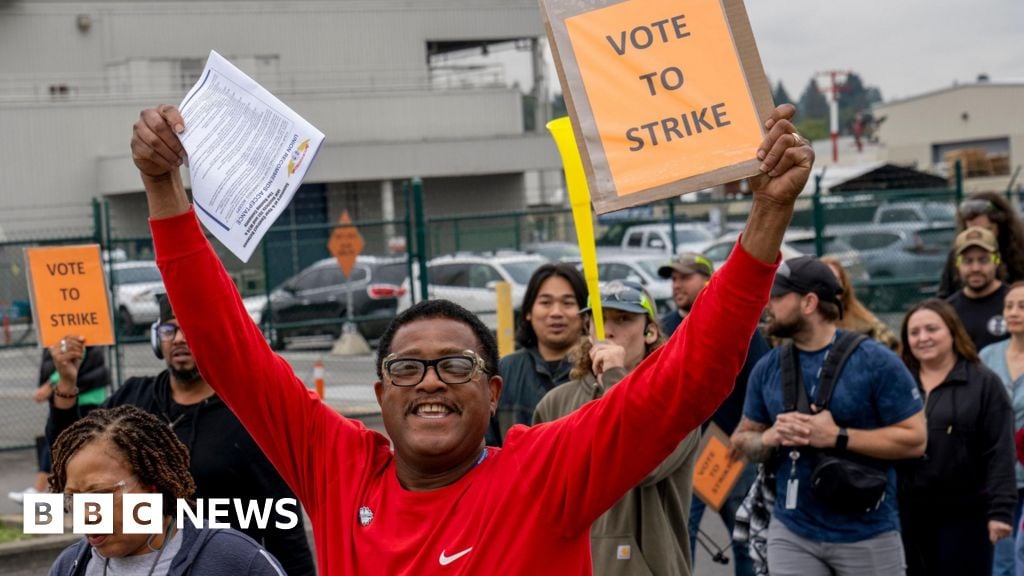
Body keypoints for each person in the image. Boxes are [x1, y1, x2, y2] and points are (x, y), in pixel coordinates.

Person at [130, 101, 812, 574]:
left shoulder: (542, 473)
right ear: (379, 393)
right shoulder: (336, 466)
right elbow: (228, 347)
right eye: (407, 369)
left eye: (454, 365)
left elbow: (687, 379)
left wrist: (766, 220)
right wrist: (163, 187)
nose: (429, 381)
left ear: (491, 392)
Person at [46, 294, 315, 576]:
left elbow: (282, 522)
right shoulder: (132, 399)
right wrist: (66, 383)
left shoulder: (247, 415)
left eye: (189, 328)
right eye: (168, 329)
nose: (177, 338)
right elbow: (72, 454)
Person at [731, 255, 927, 576]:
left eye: (778, 296)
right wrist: (771, 437)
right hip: (792, 530)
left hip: (868, 531)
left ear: (808, 302)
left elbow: (916, 439)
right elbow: (740, 442)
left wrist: (838, 436)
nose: (768, 305)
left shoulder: (876, 361)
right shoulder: (768, 367)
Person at [533, 280, 700, 575]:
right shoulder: (555, 403)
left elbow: (641, 463)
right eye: (599, 319)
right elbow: (538, 498)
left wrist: (614, 376)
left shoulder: (677, 402)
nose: (609, 330)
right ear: (588, 330)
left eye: (624, 319)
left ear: (649, 331)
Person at [48, 405, 287, 575]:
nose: (86, 514)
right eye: (72, 498)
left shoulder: (236, 561)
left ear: (152, 489)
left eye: (100, 495)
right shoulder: (70, 565)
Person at [658, 252, 768, 576]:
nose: (677, 284)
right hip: (681, 451)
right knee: (682, 536)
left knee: (742, 537)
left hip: (730, 447)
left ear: (707, 280)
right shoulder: (663, 329)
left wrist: (747, 431)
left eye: (685, 277)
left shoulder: (735, 321)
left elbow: (759, 378)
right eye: (673, 278)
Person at [898, 298, 1016, 576]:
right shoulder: (898, 381)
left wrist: (1000, 511)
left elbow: (1000, 449)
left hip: (966, 513)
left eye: (932, 329)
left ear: (952, 331)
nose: (923, 338)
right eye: (914, 333)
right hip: (906, 512)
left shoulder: (983, 383)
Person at [486, 262, 586, 446]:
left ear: (585, 314)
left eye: (568, 303)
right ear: (528, 312)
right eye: (545, 302)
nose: (556, 312)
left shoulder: (596, 372)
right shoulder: (505, 372)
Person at [8, 345, 110, 504]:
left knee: (65, 444)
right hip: (71, 394)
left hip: (83, 397)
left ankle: (49, 492)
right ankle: (46, 491)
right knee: (55, 442)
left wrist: (51, 384)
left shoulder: (74, 328)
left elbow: (75, 358)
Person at [981, 281, 1024, 576]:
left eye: (1022, 306)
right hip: (998, 478)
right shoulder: (986, 357)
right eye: (1009, 306)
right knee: (1003, 558)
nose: (1014, 312)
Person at [938, 192, 1024, 299]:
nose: (980, 236)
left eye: (987, 230)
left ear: (1001, 227)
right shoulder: (956, 255)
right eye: (972, 231)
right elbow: (944, 296)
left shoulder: (1018, 254)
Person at [947, 226, 1011, 351]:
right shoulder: (949, 310)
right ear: (957, 263)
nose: (975, 268)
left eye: (983, 260)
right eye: (967, 261)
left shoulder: (1014, 303)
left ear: (996, 260)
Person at [821, 255, 898, 350]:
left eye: (836, 280)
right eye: (825, 281)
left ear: (844, 284)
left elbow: (893, 347)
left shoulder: (865, 322)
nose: (831, 285)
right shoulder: (809, 324)